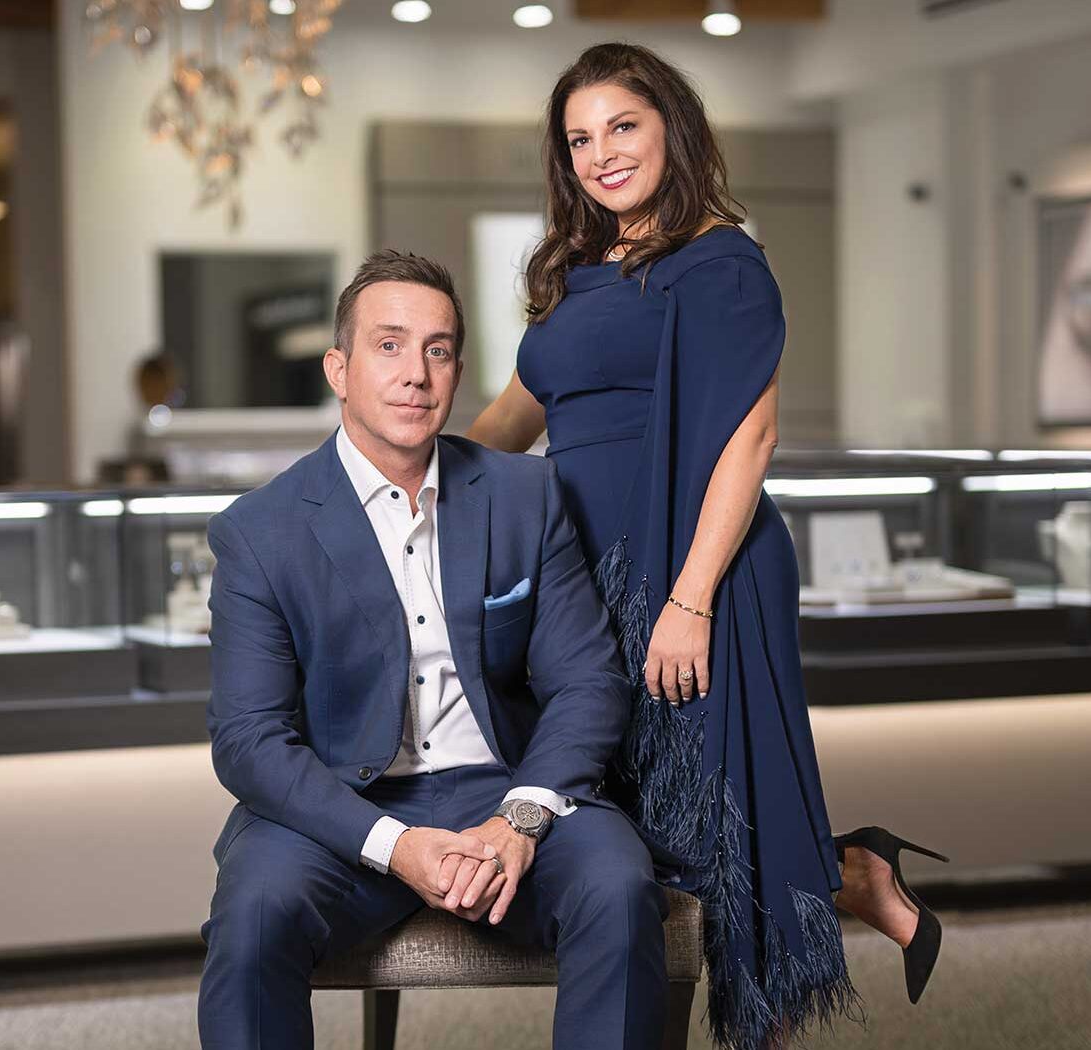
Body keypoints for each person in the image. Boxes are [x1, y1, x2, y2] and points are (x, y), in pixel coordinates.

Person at [467, 42, 949, 1050]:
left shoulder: (719, 259)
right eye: (578, 138)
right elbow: (514, 417)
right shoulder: (572, 272)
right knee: (640, 834)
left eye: (621, 126)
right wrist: (392, 470)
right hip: (587, 583)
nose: (600, 154)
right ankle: (846, 870)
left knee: (709, 836)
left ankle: (802, 940)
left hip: (701, 578)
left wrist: (686, 600)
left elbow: (749, 437)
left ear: (670, 125)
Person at [198, 250, 672, 1050]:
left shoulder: (524, 494)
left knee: (617, 887)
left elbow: (587, 682)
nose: (416, 373)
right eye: (389, 346)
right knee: (252, 919)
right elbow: (248, 740)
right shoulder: (260, 530)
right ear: (338, 369)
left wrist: (521, 816)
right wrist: (398, 846)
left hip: (509, 786)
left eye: (439, 349)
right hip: (343, 809)